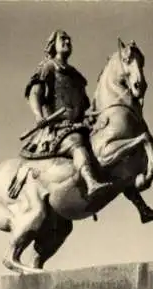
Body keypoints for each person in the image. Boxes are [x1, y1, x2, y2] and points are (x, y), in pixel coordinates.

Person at [20, 29, 112, 201]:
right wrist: (39, 116)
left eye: (69, 40)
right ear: (53, 45)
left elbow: (83, 107)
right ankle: (91, 183)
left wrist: (93, 115)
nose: (67, 42)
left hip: (80, 126)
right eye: (63, 39)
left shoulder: (76, 75)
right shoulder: (48, 67)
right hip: (59, 129)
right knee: (76, 142)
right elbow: (35, 94)